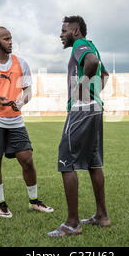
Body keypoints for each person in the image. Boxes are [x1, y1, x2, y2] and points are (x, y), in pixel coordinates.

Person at [0, 26, 54, 218]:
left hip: (15, 120)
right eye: (6, 39)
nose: (10, 42)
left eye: (11, 38)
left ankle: (34, 201)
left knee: (27, 159)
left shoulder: (21, 63)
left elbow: (27, 91)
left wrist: (21, 102)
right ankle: (1, 204)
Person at [48, 16, 110, 237]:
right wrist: (93, 94)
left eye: (64, 30)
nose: (61, 34)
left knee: (66, 160)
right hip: (95, 107)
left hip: (82, 109)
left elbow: (92, 64)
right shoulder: (92, 45)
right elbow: (104, 74)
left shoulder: (80, 45)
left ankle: (72, 223)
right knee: (93, 162)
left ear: (75, 31)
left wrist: (83, 93)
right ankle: (102, 215)